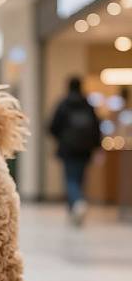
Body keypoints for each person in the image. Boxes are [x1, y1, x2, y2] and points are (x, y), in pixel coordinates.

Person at [49, 77, 101, 226]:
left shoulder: (63, 104)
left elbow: (52, 126)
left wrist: (61, 138)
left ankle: (77, 203)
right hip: (85, 150)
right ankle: (76, 207)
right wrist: (96, 146)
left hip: (68, 149)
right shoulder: (88, 104)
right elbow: (97, 127)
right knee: (80, 179)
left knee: (70, 179)